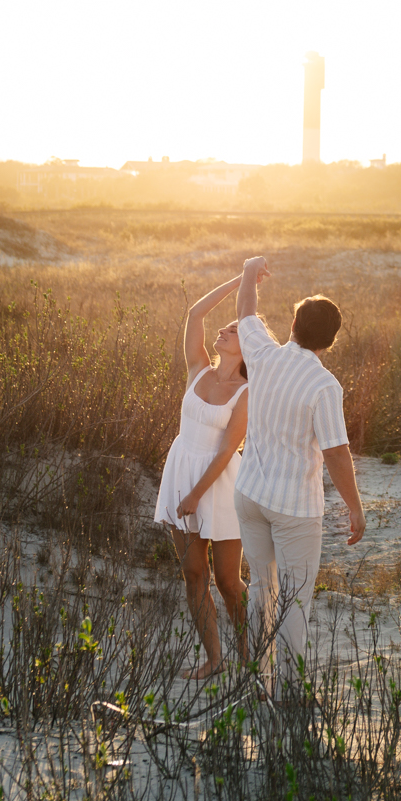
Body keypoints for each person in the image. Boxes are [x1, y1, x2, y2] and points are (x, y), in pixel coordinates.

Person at [230, 255, 365, 699]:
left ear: (292, 324)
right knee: (294, 604)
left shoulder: (264, 354)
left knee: (261, 594)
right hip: (293, 510)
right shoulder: (324, 385)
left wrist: (250, 272)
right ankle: (288, 697)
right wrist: (355, 507)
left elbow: (245, 313)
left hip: (249, 494)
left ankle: (256, 685)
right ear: (331, 341)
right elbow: (336, 453)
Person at [152, 275, 251, 680]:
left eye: (234, 330)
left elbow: (228, 449)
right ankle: (213, 660)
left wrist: (196, 494)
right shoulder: (197, 369)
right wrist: (241, 278)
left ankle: (251, 658)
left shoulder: (246, 392)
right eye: (224, 327)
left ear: (248, 349)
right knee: (194, 572)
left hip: (220, 485)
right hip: (181, 470)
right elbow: (195, 313)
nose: (224, 331)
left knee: (228, 580)